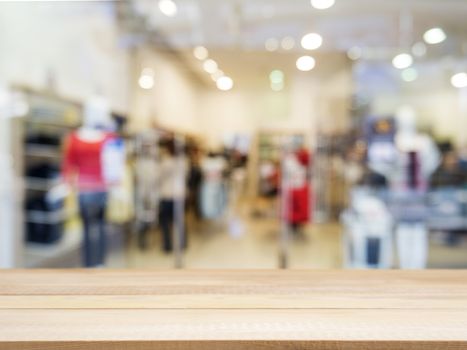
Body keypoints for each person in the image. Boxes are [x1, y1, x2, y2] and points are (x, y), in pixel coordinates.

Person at [158, 139, 187, 252]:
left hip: (167, 195)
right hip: (179, 195)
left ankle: (167, 245)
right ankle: (182, 243)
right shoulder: (183, 162)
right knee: (179, 221)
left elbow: (159, 177)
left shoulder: (165, 162)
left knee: (165, 222)